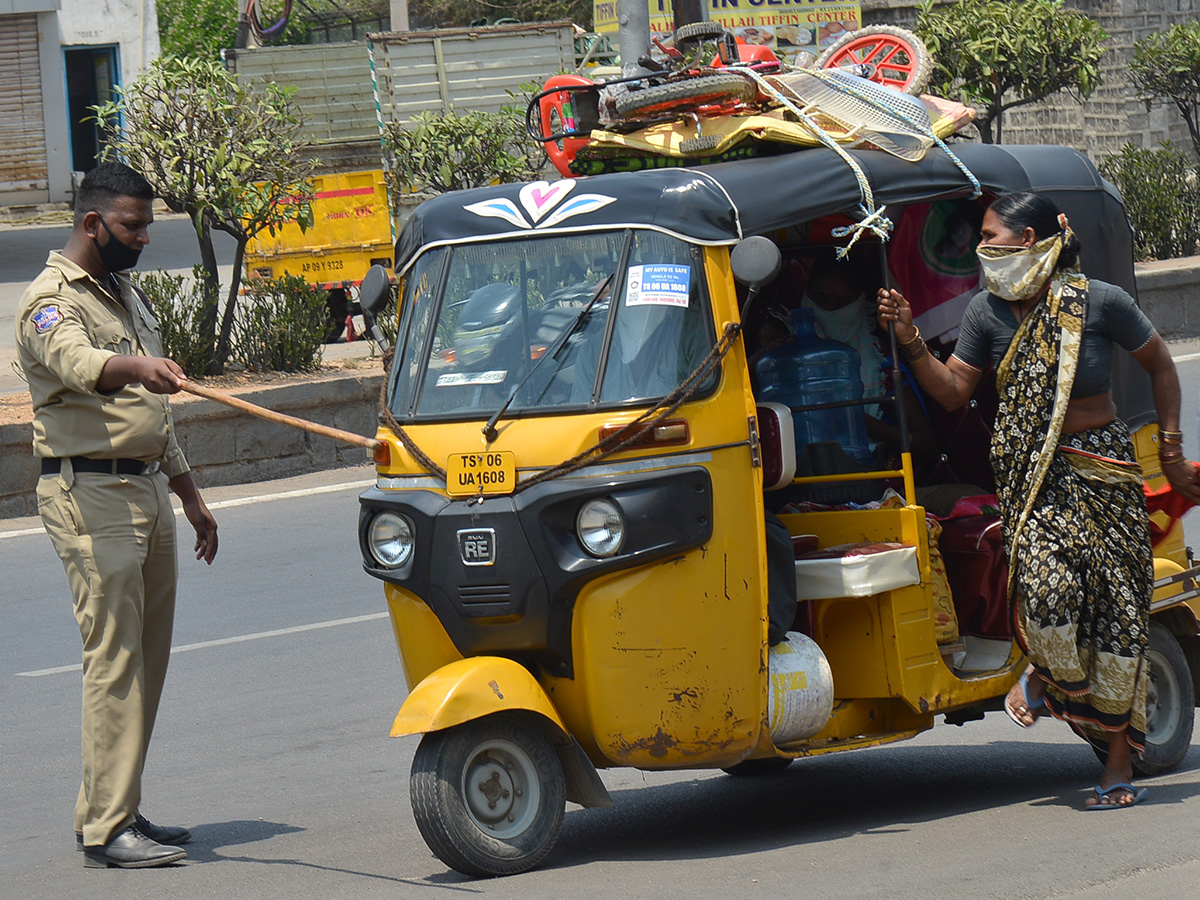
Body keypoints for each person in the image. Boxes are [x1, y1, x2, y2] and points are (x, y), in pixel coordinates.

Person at [876, 191, 1200, 810]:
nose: (984, 246)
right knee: (1049, 594)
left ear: (1029, 240)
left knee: (1118, 619)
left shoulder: (1099, 302)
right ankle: (1048, 679)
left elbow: (1161, 364)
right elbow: (951, 393)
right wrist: (911, 337)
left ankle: (1116, 762)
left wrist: (1174, 450)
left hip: (1104, 472)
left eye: (994, 235)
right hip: (1034, 478)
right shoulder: (985, 313)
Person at [15, 162, 219, 867]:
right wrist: (137, 369)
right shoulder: (49, 301)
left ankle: (111, 805)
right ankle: (107, 831)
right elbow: (77, 363)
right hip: (89, 496)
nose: (143, 239)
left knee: (147, 658)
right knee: (116, 659)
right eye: (133, 227)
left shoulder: (121, 291)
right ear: (91, 224)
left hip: (145, 491)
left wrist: (188, 492)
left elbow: (152, 412)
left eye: (147, 226)